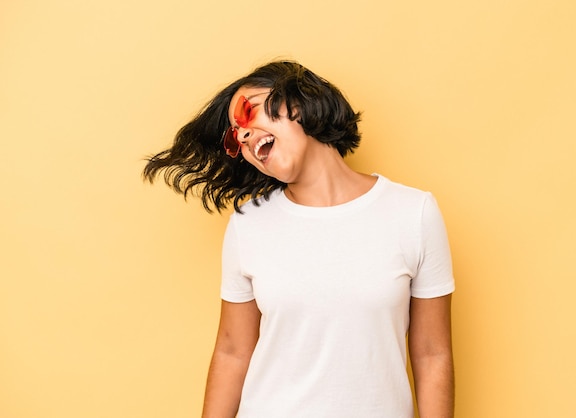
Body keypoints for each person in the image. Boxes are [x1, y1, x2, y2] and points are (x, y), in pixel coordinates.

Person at [143, 60, 455, 418]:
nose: (243, 136)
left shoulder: (413, 213)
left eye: (248, 113)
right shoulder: (249, 224)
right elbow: (232, 351)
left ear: (300, 103)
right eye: (234, 136)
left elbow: (433, 353)